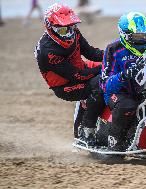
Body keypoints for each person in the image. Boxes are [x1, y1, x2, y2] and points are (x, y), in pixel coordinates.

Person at [100, 12, 146, 151]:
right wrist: (124, 75)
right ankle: (114, 141)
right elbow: (105, 84)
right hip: (120, 93)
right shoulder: (113, 49)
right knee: (127, 105)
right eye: (138, 36)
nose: (143, 40)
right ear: (125, 35)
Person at [34, 3, 105, 145]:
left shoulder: (73, 31)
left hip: (82, 69)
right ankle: (87, 130)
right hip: (66, 86)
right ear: (51, 28)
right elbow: (77, 76)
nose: (68, 33)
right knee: (100, 84)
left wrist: (112, 56)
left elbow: (91, 53)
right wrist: (105, 67)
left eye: (71, 27)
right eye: (62, 31)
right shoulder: (47, 52)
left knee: (115, 69)